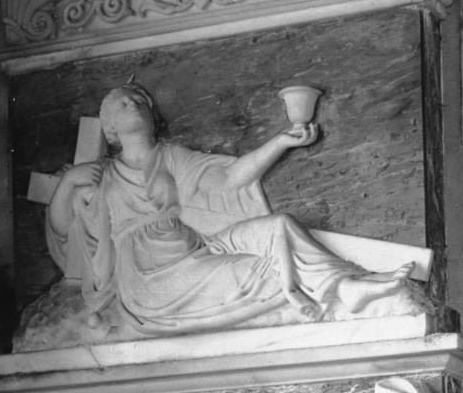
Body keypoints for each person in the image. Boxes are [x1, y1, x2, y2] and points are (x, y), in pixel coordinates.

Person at [41, 84, 421, 338]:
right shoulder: (102, 175)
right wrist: (67, 183)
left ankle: (346, 287)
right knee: (268, 271)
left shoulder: (170, 157)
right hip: (153, 277)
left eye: (139, 102)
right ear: (108, 128)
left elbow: (228, 179)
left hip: (197, 249)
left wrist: (280, 142)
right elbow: (64, 229)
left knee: (278, 228)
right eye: (122, 104)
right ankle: (337, 291)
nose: (133, 104)